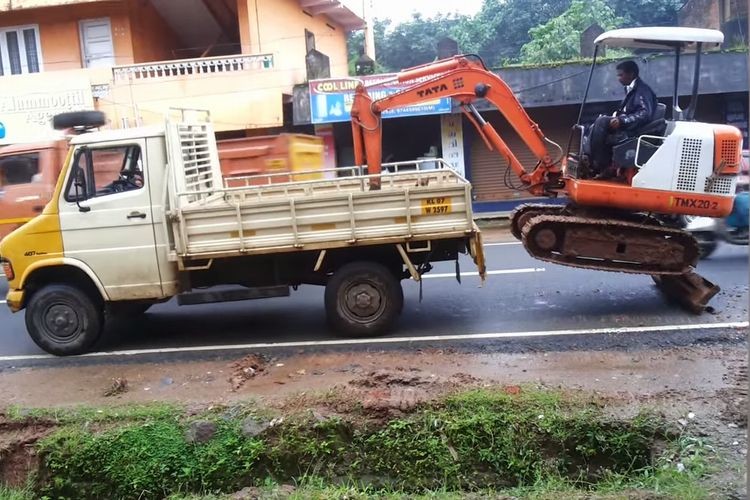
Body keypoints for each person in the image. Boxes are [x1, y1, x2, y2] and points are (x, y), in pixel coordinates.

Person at [586, 60, 657, 179]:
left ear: (631, 74)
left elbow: (645, 114)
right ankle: (591, 160)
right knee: (597, 123)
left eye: (621, 75)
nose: (618, 78)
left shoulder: (642, 90)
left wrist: (622, 121)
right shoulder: (630, 89)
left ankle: (599, 165)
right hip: (628, 125)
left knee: (602, 122)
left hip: (636, 129)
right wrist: (617, 117)